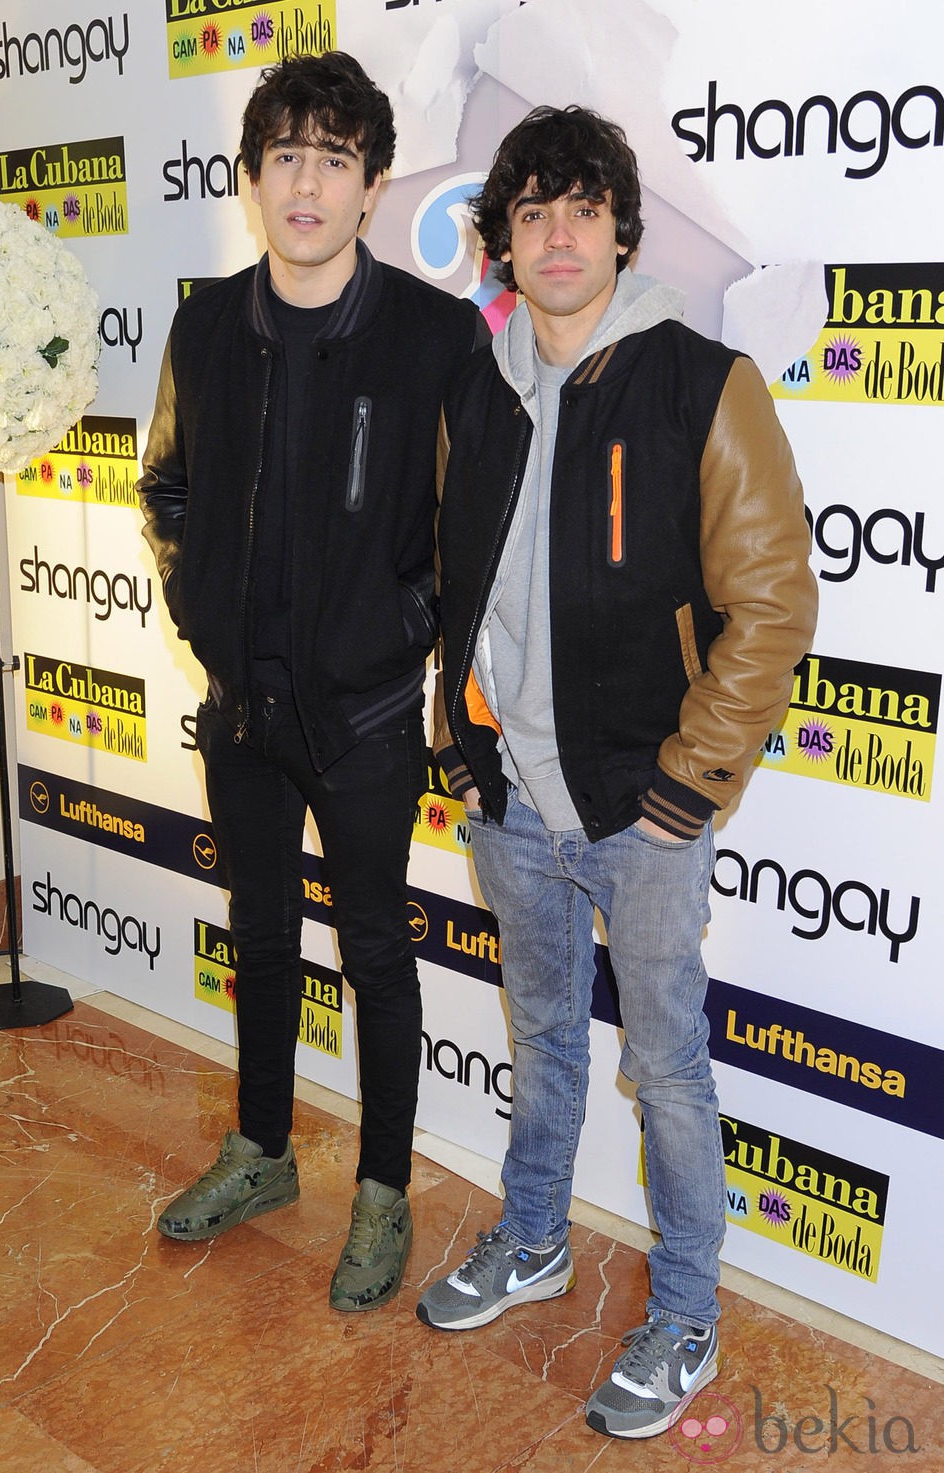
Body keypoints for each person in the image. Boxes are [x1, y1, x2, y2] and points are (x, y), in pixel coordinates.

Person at [416, 105, 817, 1436]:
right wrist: (463, 749)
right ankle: (533, 1240)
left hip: (646, 813)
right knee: (539, 1043)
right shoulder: (472, 391)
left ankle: (686, 1311)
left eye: (584, 206)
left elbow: (772, 607)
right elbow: (454, 584)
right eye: (533, 211)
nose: (560, 233)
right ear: (505, 244)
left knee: (671, 1073)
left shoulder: (702, 383)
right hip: (514, 806)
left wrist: (683, 787)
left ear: (622, 230)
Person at [138, 51, 486, 1313]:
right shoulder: (205, 324)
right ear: (249, 180)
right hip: (241, 709)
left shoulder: (436, 336)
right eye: (284, 154)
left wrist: (399, 634)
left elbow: (471, 531)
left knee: (378, 951)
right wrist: (199, 614)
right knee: (263, 935)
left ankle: (383, 1193)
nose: (306, 181)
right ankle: (261, 1151)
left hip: (368, 719)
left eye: (333, 158)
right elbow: (168, 484)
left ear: (373, 186)